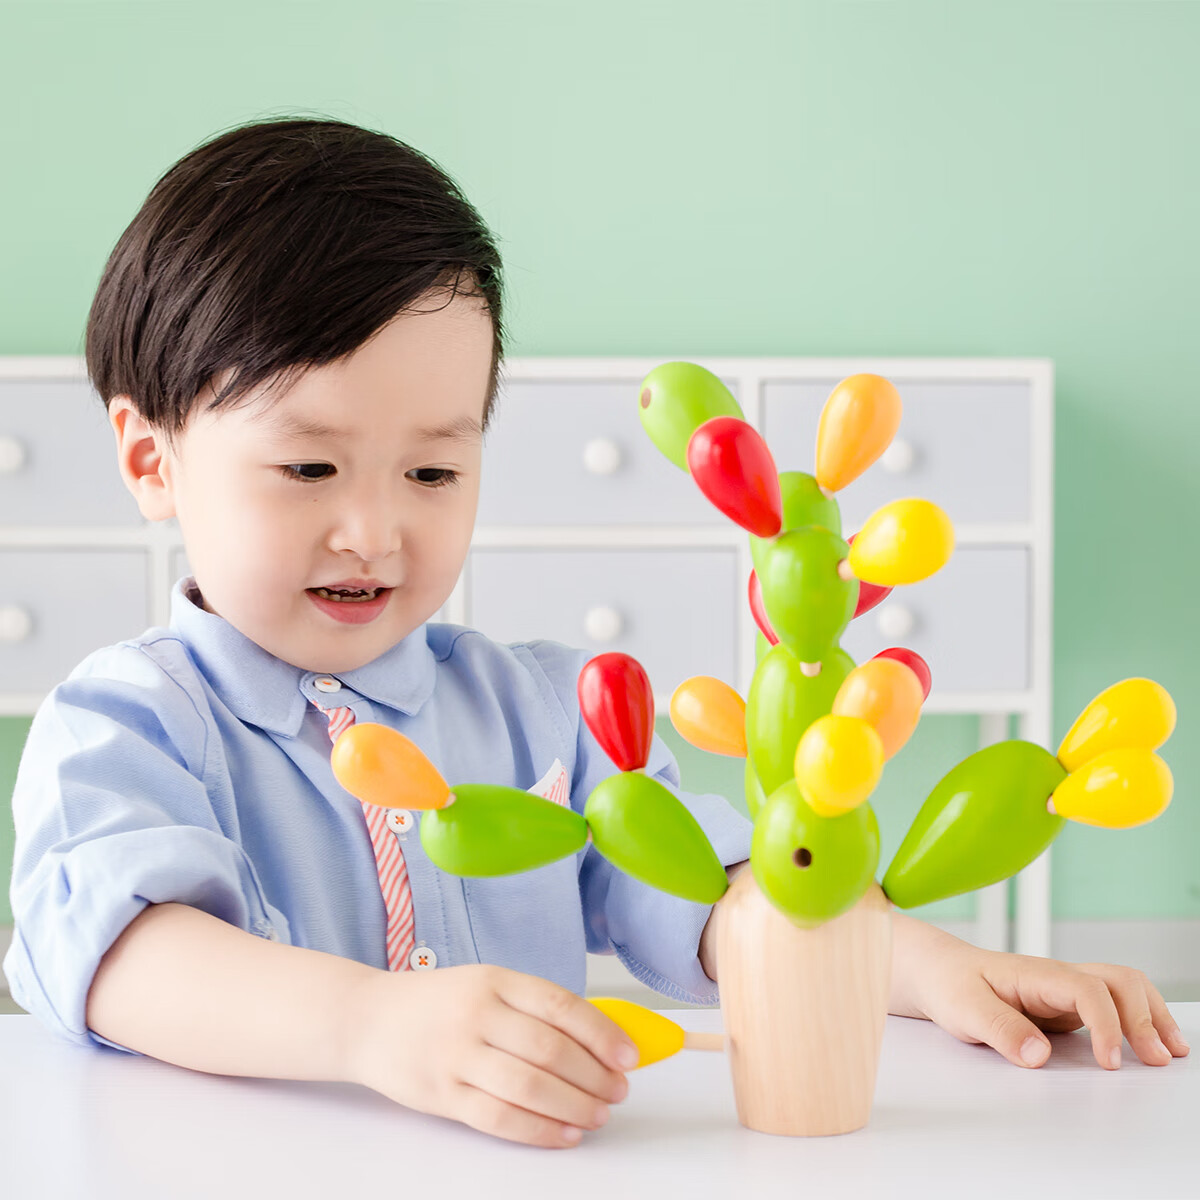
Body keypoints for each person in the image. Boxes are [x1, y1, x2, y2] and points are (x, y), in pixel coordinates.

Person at [4, 116, 1187, 1151]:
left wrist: (931, 968)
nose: (372, 530)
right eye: (308, 465)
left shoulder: (547, 712)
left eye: (431, 468)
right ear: (152, 460)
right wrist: (373, 1029)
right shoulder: (125, 722)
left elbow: (728, 895)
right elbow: (122, 956)